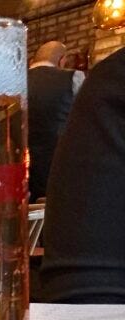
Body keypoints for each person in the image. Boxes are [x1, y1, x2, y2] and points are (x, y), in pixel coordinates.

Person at [41, 47, 125, 303]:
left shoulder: (108, 82)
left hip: (59, 190)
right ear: (62, 60)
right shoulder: (80, 80)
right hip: (63, 188)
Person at [27, 41, 85, 202]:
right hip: (60, 164)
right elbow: (86, 119)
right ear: (62, 60)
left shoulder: (16, 82)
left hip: (24, 169)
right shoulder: (73, 77)